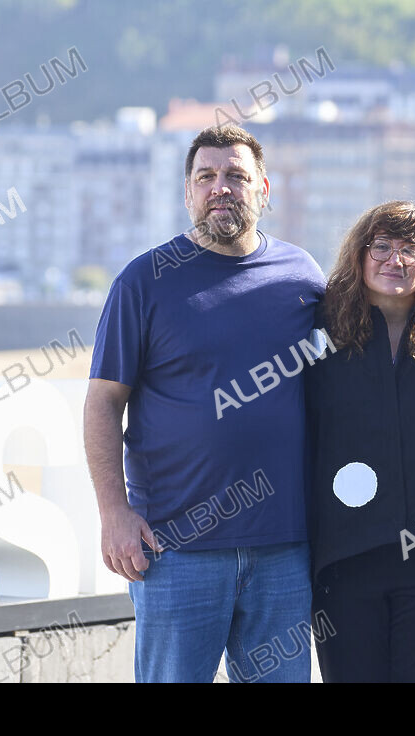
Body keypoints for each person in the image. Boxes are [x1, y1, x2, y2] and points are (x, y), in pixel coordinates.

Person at [84, 125, 326, 683]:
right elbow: (102, 403)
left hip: (284, 548)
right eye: (207, 177)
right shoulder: (144, 282)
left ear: (264, 189)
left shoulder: (302, 278)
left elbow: (344, 380)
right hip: (176, 550)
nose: (222, 188)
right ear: (187, 192)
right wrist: (113, 512)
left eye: (237, 176)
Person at [305, 200, 415, 682]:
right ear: (359, 253)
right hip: (344, 561)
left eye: (409, 248)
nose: (394, 259)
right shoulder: (317, 329)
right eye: (382, 246)